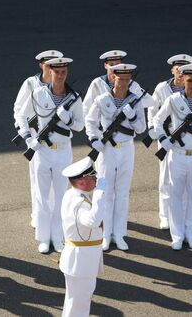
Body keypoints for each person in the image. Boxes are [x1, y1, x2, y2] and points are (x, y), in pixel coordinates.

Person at [15, 57, 84, 254]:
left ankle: (58, 237)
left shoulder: (74, 97)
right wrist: (28, 138)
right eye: (57, 71)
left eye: (64, 71)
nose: (60, 75)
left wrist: (68, 118)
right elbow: (21, 115)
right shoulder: (38, 93)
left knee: (61, 196)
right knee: (43, 196)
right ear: (50, 71)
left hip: (62, 150)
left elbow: (80, 125)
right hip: (42, 150)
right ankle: (44, 238)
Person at [153, 64, 192, 251]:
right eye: (190, 80)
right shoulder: (173, 99)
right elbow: (157, 120)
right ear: (182, 80)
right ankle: (177, 235)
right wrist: (164, 138)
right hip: (178, 155)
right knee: (175, 195)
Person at [85, 63, 146, 251]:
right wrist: (94, 139)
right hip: (107, 150)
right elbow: (90, 121)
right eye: (121, 79)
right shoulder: (102, 99)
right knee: (105, 192)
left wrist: (133, 118)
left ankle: (119, 234)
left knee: (122, 192)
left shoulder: (135, 100)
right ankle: (105, 234)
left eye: (128, 80)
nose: (124, 83)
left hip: (126, 148)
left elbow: (142, 128)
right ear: (114, 78)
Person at [13, 50, 63, 228]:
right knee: (37, 178)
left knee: (56, 179)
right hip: (35, 135)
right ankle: (38, 215)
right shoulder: (31, 83)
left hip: (54, 136)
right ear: (41, 65)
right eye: (49, 65)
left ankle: (55, 217)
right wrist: (25, 134)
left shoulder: (61, 85)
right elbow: (19, 109)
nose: (52, 69)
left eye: (55, 65)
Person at [147, 54, 192, 230]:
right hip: (166, 138)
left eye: (185, 69)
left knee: (182, 180)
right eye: (178, 68)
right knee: (165, 179)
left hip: (186, 141)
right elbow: (153, 109)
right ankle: (164, 216)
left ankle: (180, 216)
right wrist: (152, 128)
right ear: (172, 70)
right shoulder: (162, 88)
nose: (181, 72)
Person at [60, 157, 109, 317]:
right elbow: (93, 221)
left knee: (74, 302)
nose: (96, 179)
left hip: (81, 259)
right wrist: (100, 194)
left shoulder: (73, 194)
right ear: (82, 182)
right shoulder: (78, 203)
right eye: (92, 177)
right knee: (79, 305)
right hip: (81, 261)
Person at [82, 50, 153, 118]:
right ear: (105, 65)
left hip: (127, 125)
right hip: (103, 127)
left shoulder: (131, 84)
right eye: (111, 64)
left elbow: (150, 101)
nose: (114, 68)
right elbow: (86, 107)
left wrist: (130, 103)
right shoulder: (98, 83)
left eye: (117, 64)